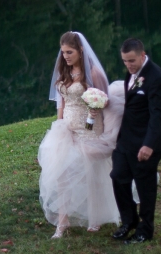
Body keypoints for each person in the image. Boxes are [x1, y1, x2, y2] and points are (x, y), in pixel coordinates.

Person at [38, 32, 126, 238]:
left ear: (80, 51)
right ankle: (63, 221)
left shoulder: (93, 73)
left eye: (70, 52)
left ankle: (95, 217)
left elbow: (106, 100)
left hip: (89, 127)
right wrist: (59, 125)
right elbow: (61, 102)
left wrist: (96, 109)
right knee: (61, 173)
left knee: (91, 172)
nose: (66, 56)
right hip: (67, 126)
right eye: (63, 52)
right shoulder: (64, 72)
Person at [110, 38, 161, 244]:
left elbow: (157, 115)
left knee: (145, 186)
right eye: (125, 61)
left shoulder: (156, 77)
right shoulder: (132, 73)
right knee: (118, 176)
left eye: (132, 61)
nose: (128, 65)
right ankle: (129, 220)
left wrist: (149, 144)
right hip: (126, 139)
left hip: (146, 142)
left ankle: (145, 229)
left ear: (142, 55)